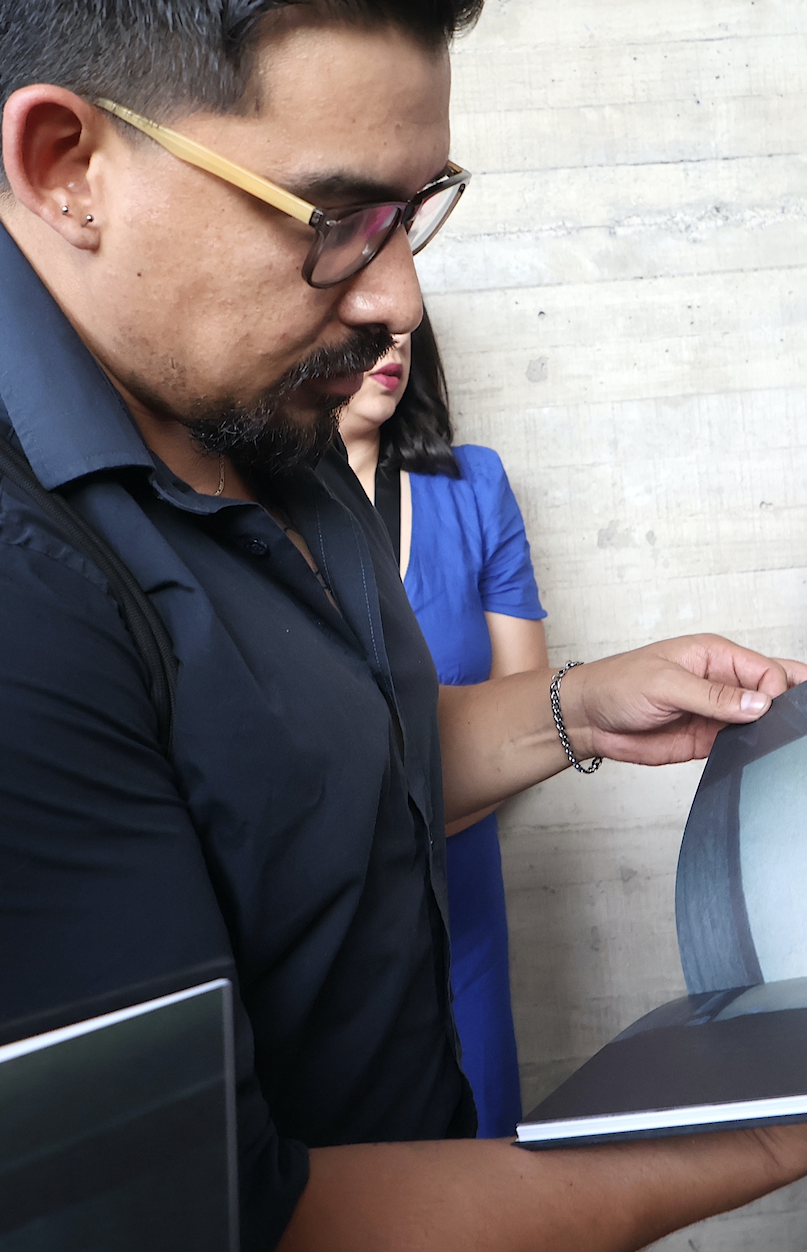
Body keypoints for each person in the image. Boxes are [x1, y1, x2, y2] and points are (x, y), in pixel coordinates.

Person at [0, 0, 807, 1250]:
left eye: (413, 209)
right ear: (67, 163)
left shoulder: (257, 408)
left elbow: (288, 794)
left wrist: (572, 710)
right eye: (334, 218)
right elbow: (193, 1217)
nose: (397, 297)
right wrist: (728, 1134)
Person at [338, 314, 546, 1138]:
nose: (392, 346)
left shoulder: (474, 485)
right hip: (319, 916)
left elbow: (528, 717)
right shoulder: (230, 496)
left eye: (404, 329)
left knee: (483, 1141)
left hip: (462, 905)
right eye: (366, 326)